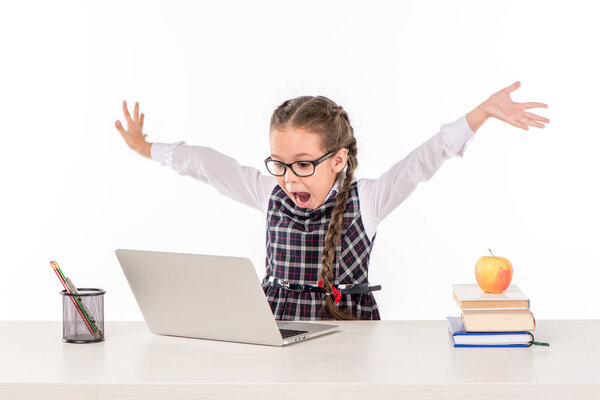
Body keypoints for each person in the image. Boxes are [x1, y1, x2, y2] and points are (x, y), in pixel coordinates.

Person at [115, 81, 549, 320]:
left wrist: (481, 113)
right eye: (279, 164)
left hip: (349, 338)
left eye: (303, 164)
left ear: (338, 160)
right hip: (277, 330)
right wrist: (146, 147)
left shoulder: (369, 199)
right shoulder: (269, 192)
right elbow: (207, 164)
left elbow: (426, 158)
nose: (288, 178)